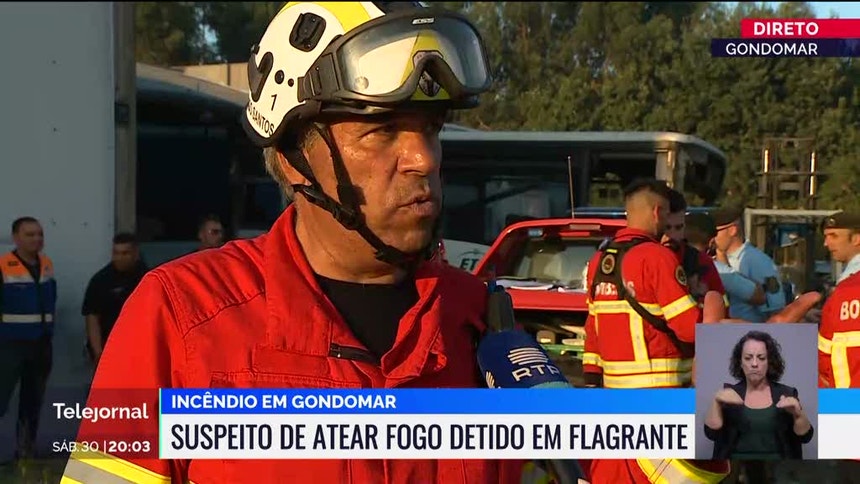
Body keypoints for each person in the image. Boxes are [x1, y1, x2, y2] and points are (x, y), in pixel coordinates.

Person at [63, 3, 526, 483]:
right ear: (292, 158)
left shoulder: (480, 322)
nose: (423, 159)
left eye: (431, 129)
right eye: (382, 130)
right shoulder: (180, 315)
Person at [581, 178, 732, 483]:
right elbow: (689, 329)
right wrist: (709, 311)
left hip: (615, 399)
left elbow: (592, 331)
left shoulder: (599, 261)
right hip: (662, 398)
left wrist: (592, 383)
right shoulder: (656, 257)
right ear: (657, 212)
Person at [704, 330, 813, 481]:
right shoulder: (729, 393)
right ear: (740, 362)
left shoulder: (786, 393)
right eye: (748, 358)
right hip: (735, 470)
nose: (754, 364)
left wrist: (797, 414)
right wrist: (716, 401)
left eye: (761, 358)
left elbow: (806, 437)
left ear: (769, 362)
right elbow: (711, 434)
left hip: (776, 469)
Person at [0, 217, 57, 461]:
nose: (37, 239)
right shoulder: (4, 266)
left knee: (32, 401)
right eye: (30, 234)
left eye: (39, 234)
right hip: (9, 346)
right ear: (16, 238)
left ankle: (25, 451)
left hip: (40, 345)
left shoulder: (46, 264)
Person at [81, 233, 148, 366]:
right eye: (116, 253)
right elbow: (92, 317)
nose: (119, 258)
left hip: (141, 349)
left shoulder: (148, 277)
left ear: (135, 254)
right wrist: (98, 352)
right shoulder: (101, 280)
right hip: (109, 348)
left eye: (125, 253)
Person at [712, 206, 786, 321]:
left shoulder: (757, 261)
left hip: (749, 329)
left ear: (732, 230)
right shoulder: (712, 258)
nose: (711, 237)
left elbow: (775, 309)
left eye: (715, 232)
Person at [660, 189, 726, 305]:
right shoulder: (641, 260)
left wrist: (700, 296)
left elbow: (722, 307)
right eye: (666, 228)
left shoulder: (701, 261)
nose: (672, 235)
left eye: (678, 227)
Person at [819, 211, 860, 388]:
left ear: (856, 239)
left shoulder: (847, 287)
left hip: (843, 397)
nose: (826, 243)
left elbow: (824, 358)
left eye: (834, 236)